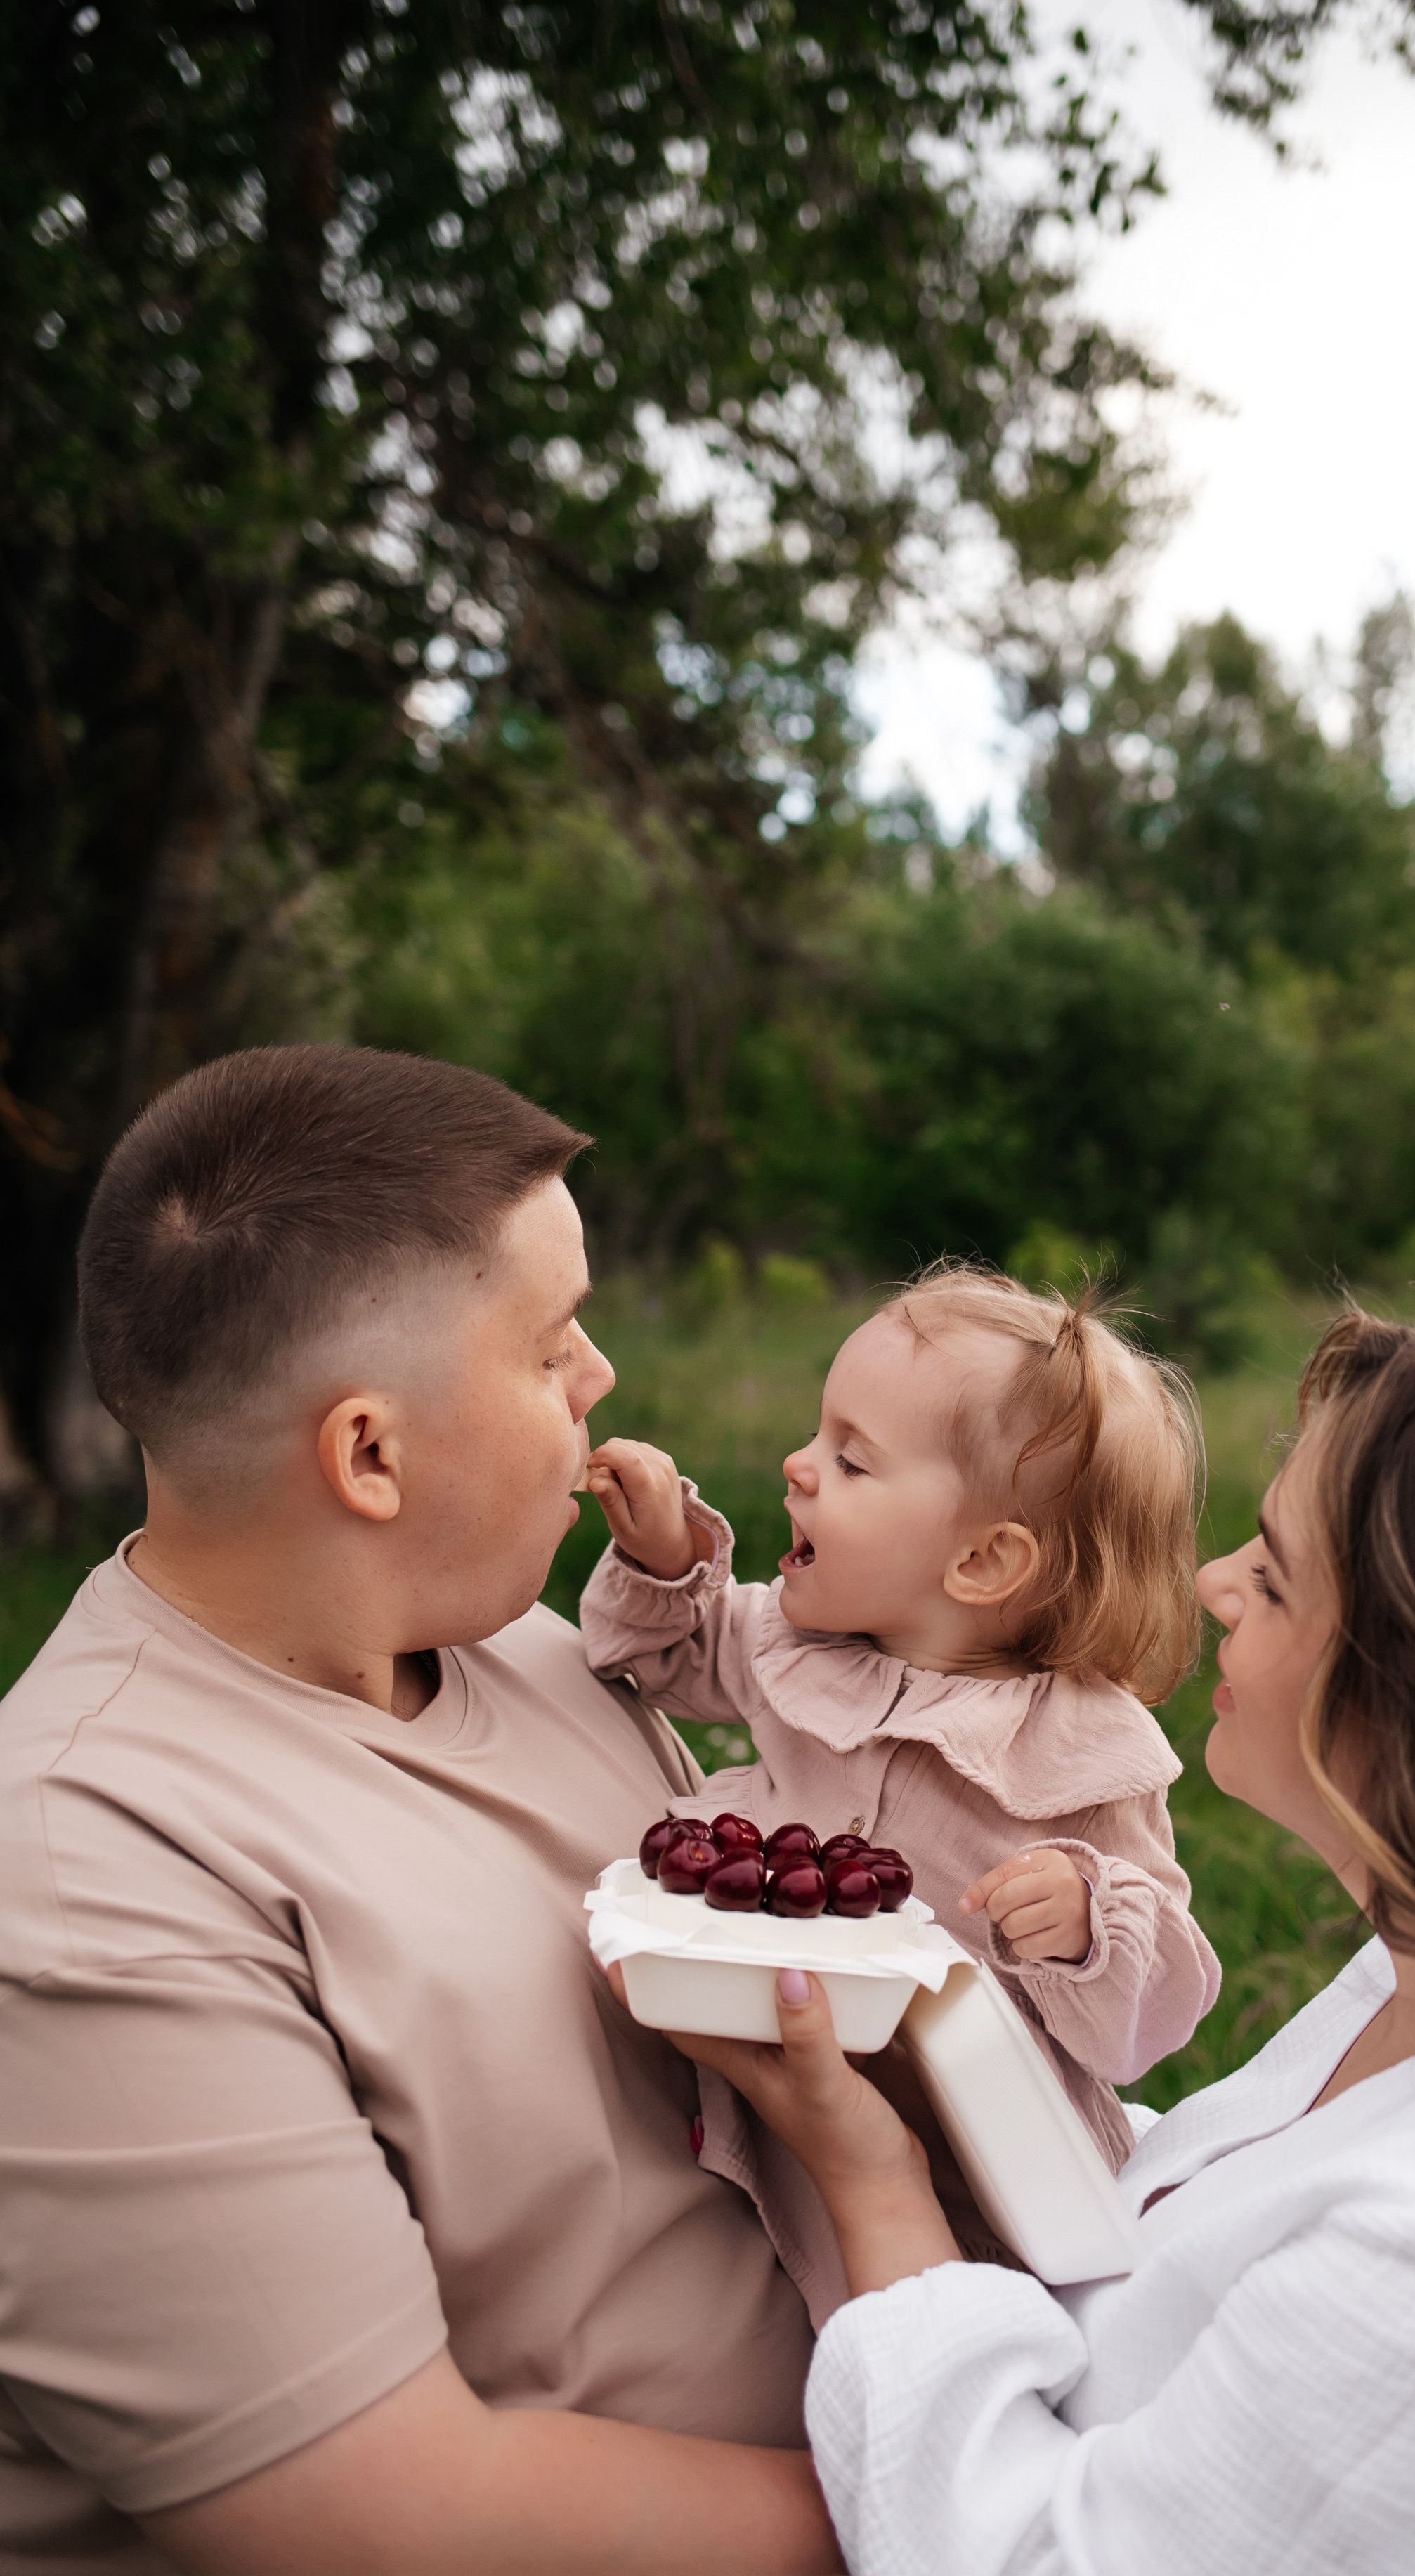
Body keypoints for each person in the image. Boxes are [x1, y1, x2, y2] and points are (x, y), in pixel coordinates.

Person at [664, 1313, 1415, 2573]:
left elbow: (1033, 2558)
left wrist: (877, 2187)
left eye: (1275, 1574)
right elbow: (1227, 2220)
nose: (1211, 1582)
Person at [0, 1046, 839, 2576]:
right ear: (368, 1452)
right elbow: (390, 2516)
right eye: (549, 1344)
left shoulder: (522, 1644)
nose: (596, 1380)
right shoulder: (83, 1880)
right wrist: (999, 2509)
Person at [578, 1268, 1218, 2316]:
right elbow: (659, 1659)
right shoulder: (792, 1644)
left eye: (850, 1458)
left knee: (965, 2328)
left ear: (980, 1560)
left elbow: (1148, 2025)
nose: (797, 1466)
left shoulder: (1085, 1754)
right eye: (817, 1437)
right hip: (767, 2108)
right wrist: (661, 1556)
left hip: (980, 2173)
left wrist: (1089, 1918)